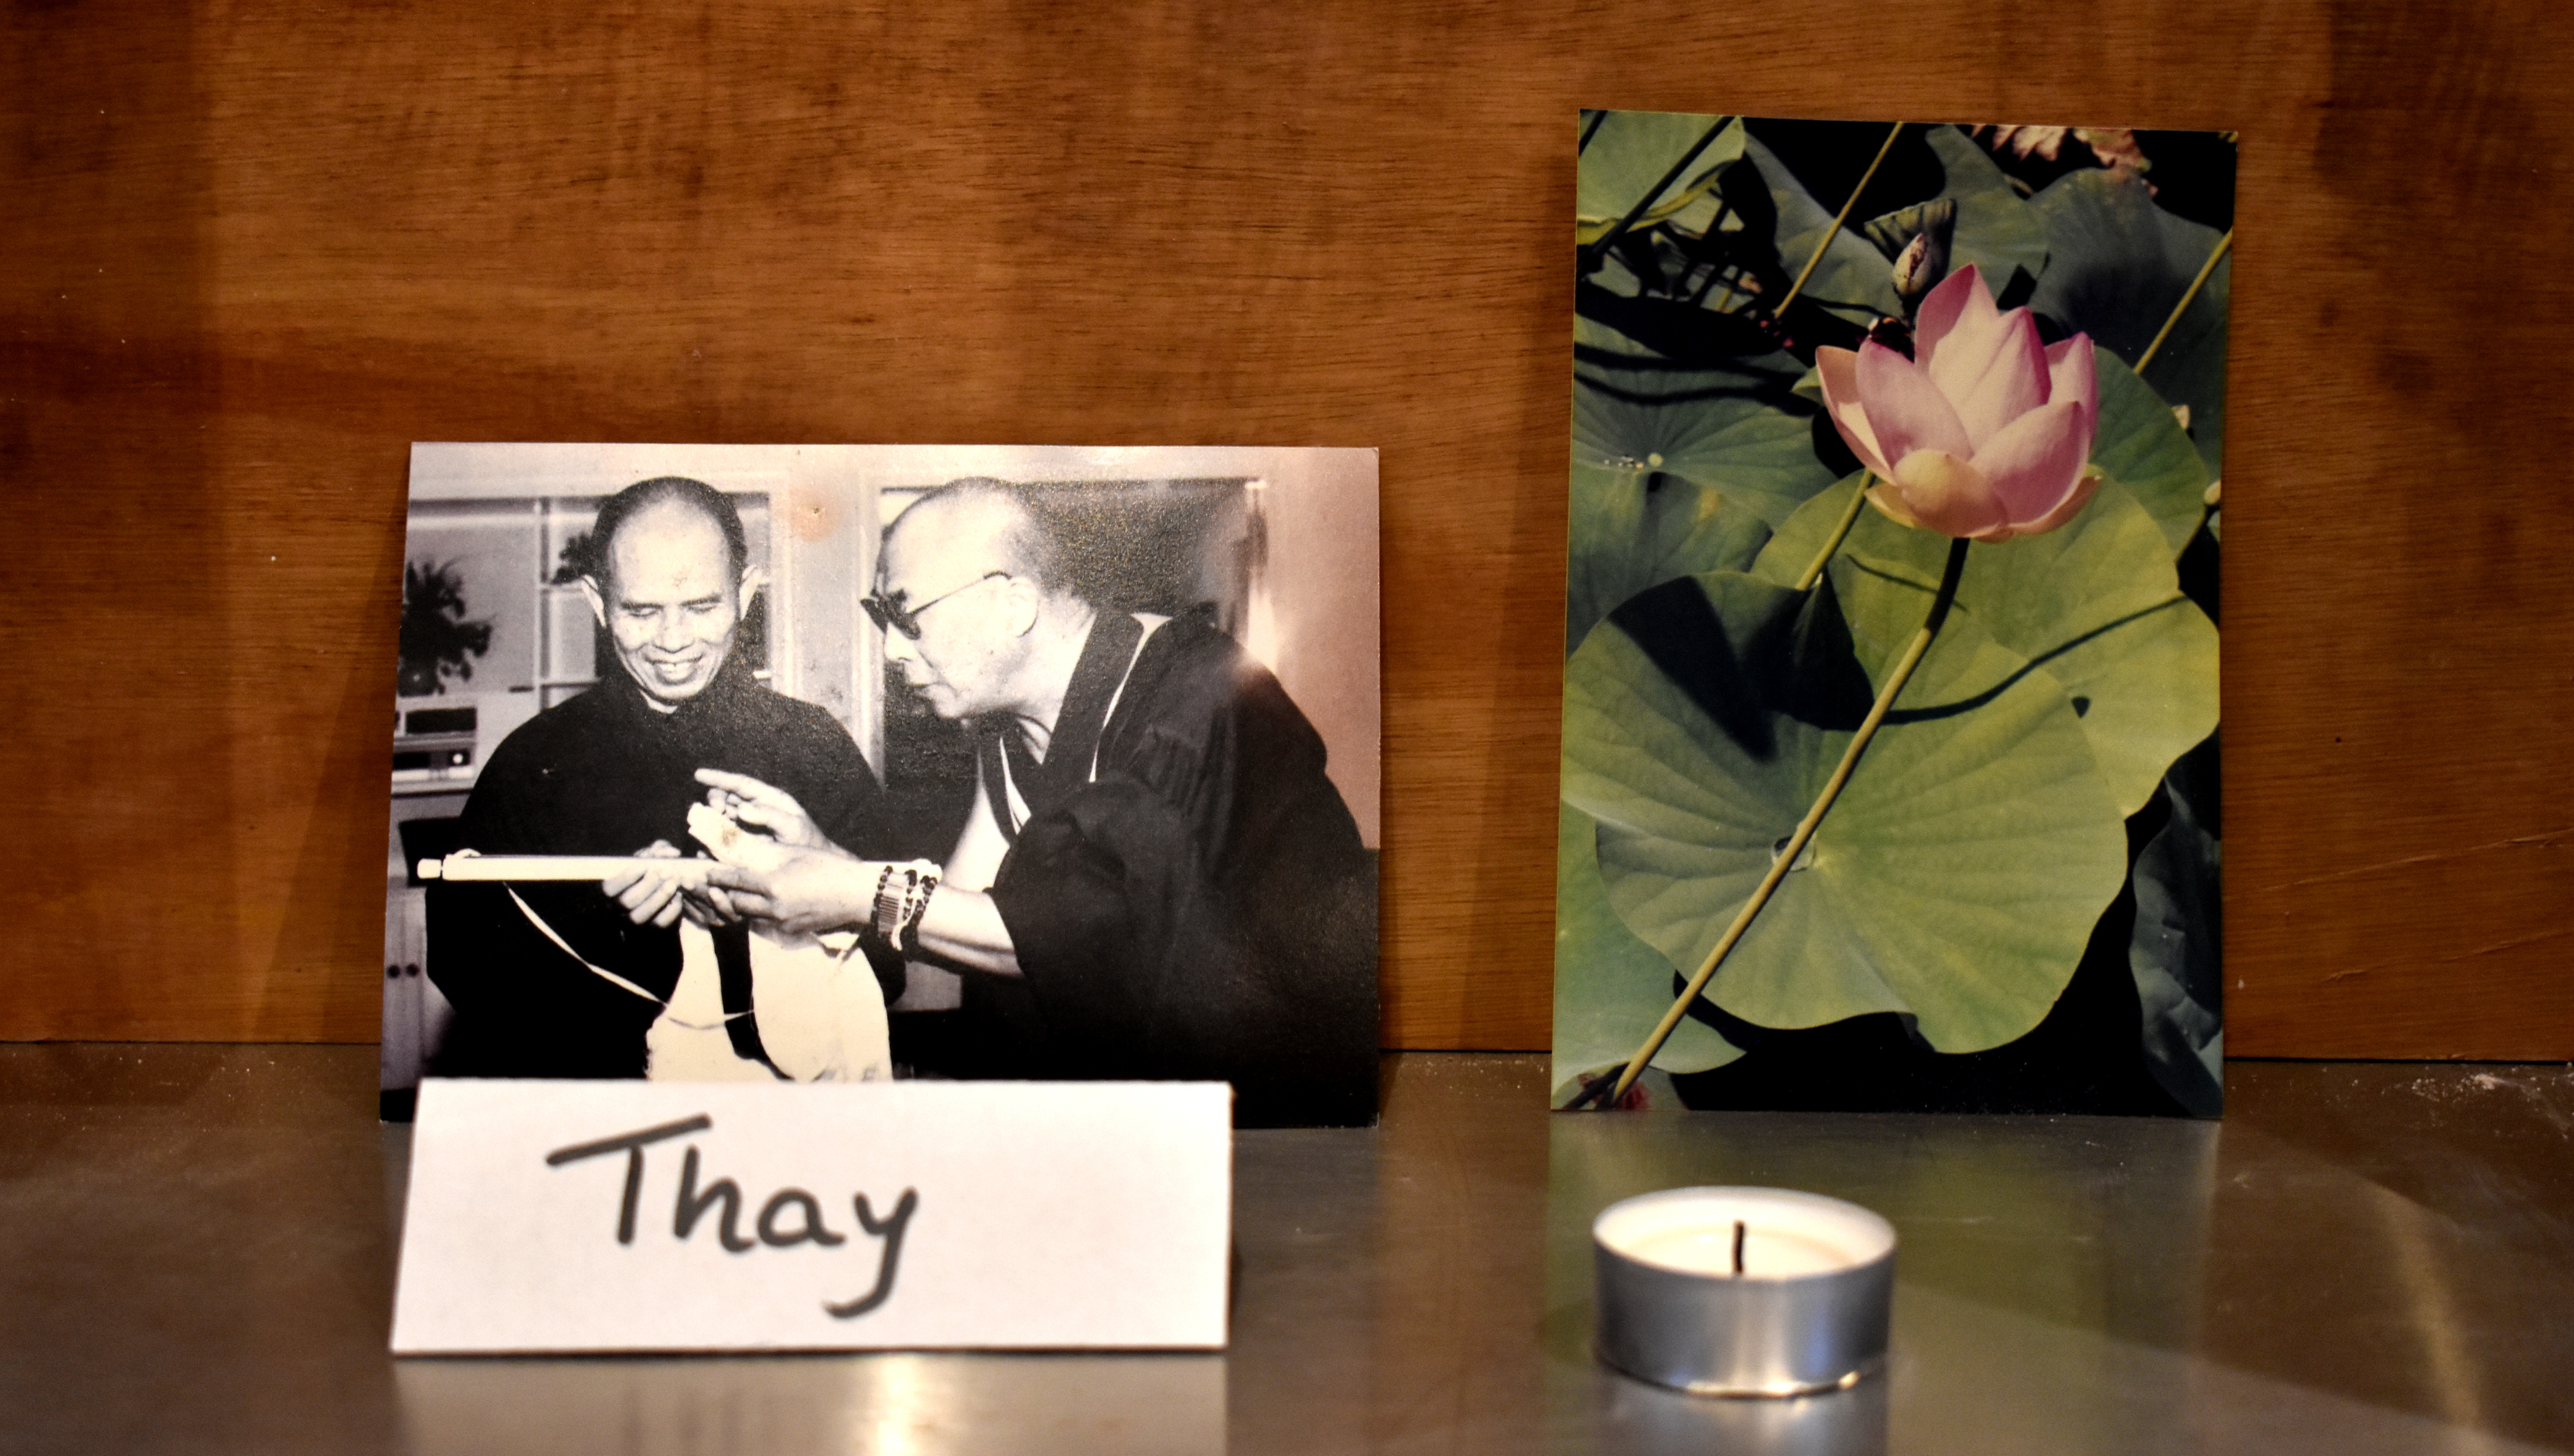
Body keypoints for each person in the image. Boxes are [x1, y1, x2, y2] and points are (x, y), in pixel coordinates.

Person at [699, 479, 1379, 1126]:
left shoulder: (1197, 703)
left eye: (906, 615)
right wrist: (824, 860)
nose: (890, 649)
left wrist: (852, 889)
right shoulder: (1012, 735)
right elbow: (959, 929)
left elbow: (1062, 939)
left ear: (1013, 603)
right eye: (882, 619)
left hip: (1277, 1112)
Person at [426, 476, 891, 1079]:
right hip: (607, 1106)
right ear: (597, 602)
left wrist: (783, 916)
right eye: (642, 611)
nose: (673, 642)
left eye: (702, 607)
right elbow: (466, 965)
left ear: (745, 594)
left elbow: (897, 959)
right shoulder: (534, 762)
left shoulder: (811, 744)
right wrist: (613, 927)